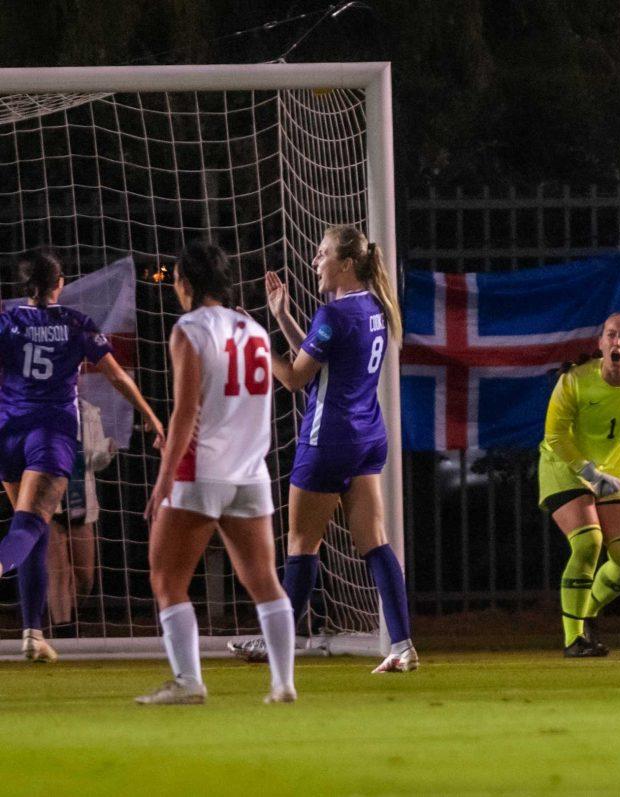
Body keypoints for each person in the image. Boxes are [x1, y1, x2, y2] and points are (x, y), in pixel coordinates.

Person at [228, 225, 417, 674]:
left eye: (322, 254)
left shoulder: (333, 316)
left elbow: (295, 379)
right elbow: (317, 362)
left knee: (301, 543)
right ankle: (403, 644)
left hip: (327, 438)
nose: (315, 262)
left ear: (346, 263)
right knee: (374, 541)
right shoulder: (373, 308)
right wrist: (281, 317)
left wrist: (253, 341)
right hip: (367, 437)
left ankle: (278, 643)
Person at [136, 242, 296, 705]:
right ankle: (283, 683)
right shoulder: (256, 330)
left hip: (201, 471)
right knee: (264, 580)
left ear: (184, 284)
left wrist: (165, 477)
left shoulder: (189, 328)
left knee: (166, 579)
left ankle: (189, 682)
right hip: (251, 473)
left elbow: (186, 411)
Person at [0, 248, 164, 664]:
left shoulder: (8, 322)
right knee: (29, 526)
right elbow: (116, 374)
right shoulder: (75, 323)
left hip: (8, 434)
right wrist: (150, 416)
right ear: (60, 284)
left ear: (27, 286)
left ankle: (33, 633)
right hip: (49, 435)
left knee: (33, 530)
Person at [539, 312, 620, 657]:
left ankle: (587, 610)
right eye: (610, 335)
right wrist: (591, 473)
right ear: (600, 343)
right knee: (589, 543)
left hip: (613, 473)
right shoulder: (575, 382)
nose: (616, 342)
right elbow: (555, 435)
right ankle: (573, 639)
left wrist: (615, 469)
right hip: (563, 465)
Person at [47, 398, 116, 625]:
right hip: (47, 500)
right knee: (59, 573)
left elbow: (95, 460)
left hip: (81, 501)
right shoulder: (35, 406)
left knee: (85, 578)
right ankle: (62, 627)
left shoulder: (87, 411)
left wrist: (106, 451)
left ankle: (66, 619)